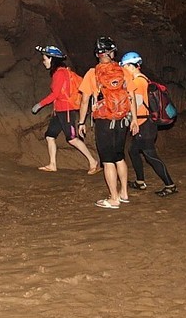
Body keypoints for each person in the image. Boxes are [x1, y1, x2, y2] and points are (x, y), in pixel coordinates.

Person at [77, 37, 137, 209]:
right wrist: (134, 120)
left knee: (107, 160)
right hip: (122, 120)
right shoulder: (124, 71)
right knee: (119, 156)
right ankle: (124, 193)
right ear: (112, 53)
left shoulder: (92, 73)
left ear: (97, 54)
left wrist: (81, 122)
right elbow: (131, 96)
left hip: (104, 121)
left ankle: (114, 198)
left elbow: (84, 101)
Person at [32, 46, 99, 174]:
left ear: (51, 59)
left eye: (45, 58)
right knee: (50, 136)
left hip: (66, 111)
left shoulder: (60, 73)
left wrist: (40, 105)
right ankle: (52, 164)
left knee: (72, 138)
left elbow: (55, 94)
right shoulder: (60, 73)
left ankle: (93, 162)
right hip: (59, 111)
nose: (43, 61)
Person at [120, 52, 177, 197]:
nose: (123, 69)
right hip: (144, 123)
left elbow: (137, 103)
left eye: (124, 66)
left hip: (144, 124)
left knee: (151, 156)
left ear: (130, 66)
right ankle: (140, 182)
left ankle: (170, 185)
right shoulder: (142, 79)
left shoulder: (138, 82)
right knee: (133, 150)